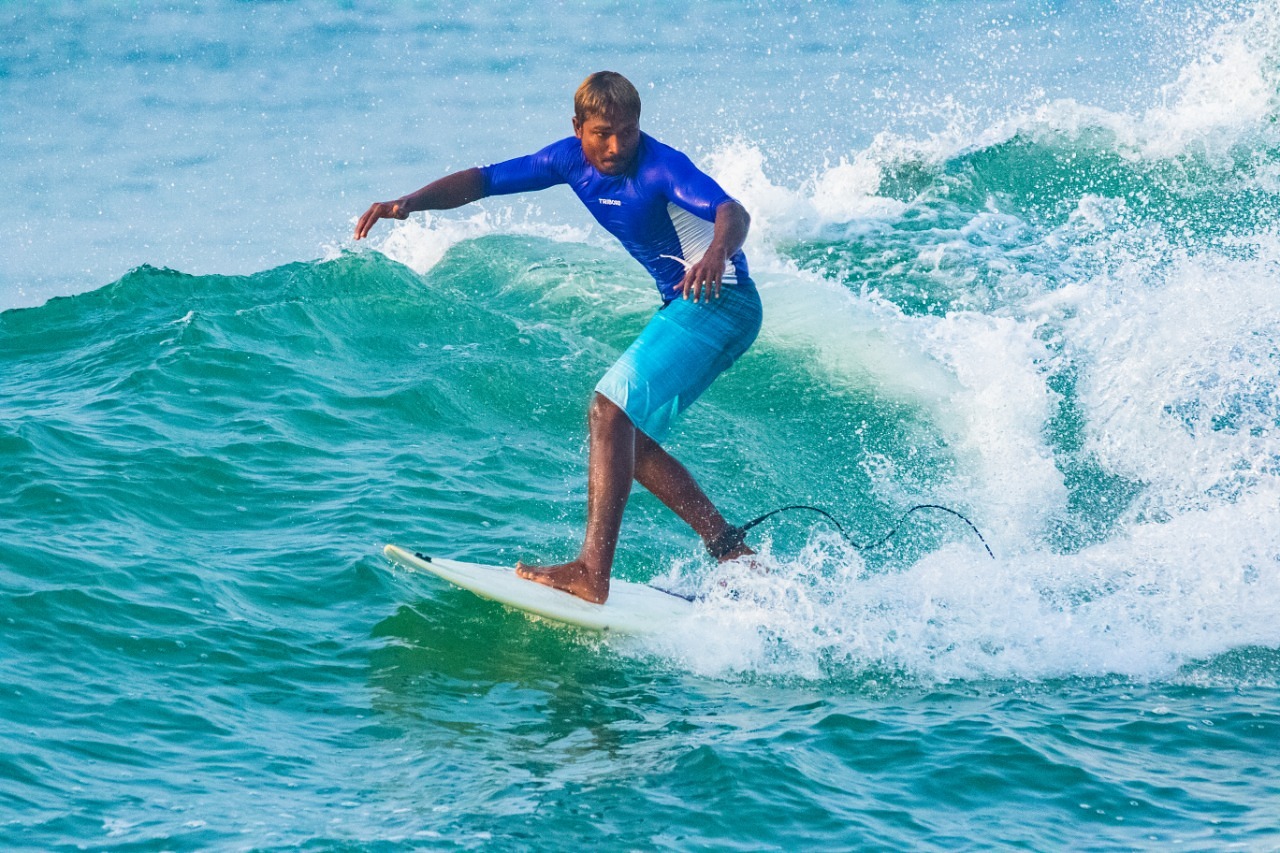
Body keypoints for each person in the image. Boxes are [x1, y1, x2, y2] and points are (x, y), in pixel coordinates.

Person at [355, 71, 762, 604]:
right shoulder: (567, 160)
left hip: (719, 300)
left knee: (607, 411)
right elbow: (484, 179)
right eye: (603, 133)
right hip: (692, 305)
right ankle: (731, 551)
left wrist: (717, 251)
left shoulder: (662, 167)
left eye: (628, 132)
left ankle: (593, 573)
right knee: (624, 440)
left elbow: (732, 211)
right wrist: (408, 203)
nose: (616, 146)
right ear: (578, 129)